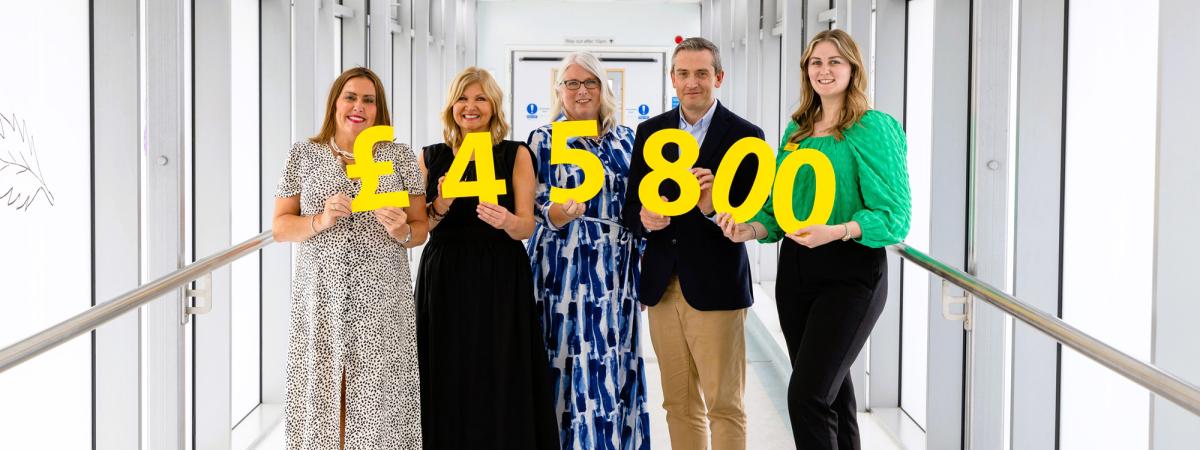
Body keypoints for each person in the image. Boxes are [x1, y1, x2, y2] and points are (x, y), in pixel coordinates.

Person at [717, 29, 911, 450]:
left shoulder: (872, 127)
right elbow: (778, 208)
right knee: (833, 393)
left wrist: (838, 230)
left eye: (834, 61)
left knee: (806, 394)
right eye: (816, 62)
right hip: (797, 271)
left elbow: (895, 216)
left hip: (851, 271)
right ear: (806, 71)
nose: (824, 70)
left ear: (853, 68)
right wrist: (747, 229)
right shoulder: (798, 128)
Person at [272, 67, 427, 450]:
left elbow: (421, 226)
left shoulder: (400, 156)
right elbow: (280, 227)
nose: (359, 107)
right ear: (335, 103)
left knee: (378, 393)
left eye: (369, 100)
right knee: (327, 387)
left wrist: (401, 231)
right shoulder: (303, 154)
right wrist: (320, 220)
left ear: (379, 109)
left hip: (382, 294)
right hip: (322, 292)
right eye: (351, 97)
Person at [622, 37, 763, 450]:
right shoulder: (651, 132)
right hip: (663, 287)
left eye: (702, 73)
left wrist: (712, 202)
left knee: (724, 405)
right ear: (672, 79)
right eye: (683, 74)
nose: (692, 83)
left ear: (718, 77)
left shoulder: (745, 136)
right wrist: (644, 218)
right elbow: (632, 206)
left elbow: (755, 216)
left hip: (717, 287)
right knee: (678, 403)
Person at [414, 66, 558, 449]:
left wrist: (508, 220)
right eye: (463, 98)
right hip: (444, 275)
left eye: (480, 98)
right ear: (451, 107)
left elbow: (527, 226)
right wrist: (440, 205)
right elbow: (420, 228)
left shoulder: (516, 154)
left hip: (499, 274)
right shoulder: (429, 156)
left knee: (498, 369)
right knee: (446, 368)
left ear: (494, 106)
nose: (471, 106)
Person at [525, 52, 650, 450]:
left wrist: (644, 261)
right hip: (561, 266)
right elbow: (530, 202)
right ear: (559, 91)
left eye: (590, 83)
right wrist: (555, 214)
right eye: (572, 83)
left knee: (610, 359)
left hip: (615, 268)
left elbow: (639, 204)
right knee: (562, 359)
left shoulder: (627, 138)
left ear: (603, 88)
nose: (582, 91)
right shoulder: (543, 139)